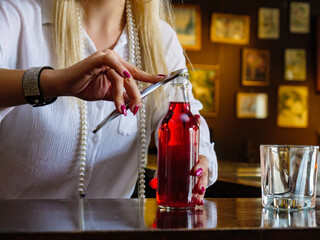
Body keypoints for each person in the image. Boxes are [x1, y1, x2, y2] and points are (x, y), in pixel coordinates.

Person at [0, 0, 217, 203]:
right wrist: (54, 83)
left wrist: (196, 157)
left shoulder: (161, 38)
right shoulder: (16, 15)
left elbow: (183, 116)